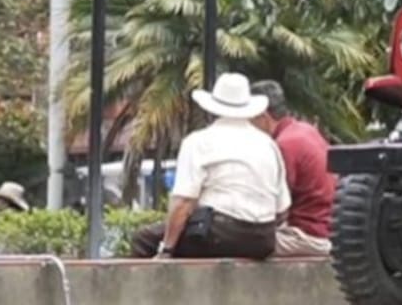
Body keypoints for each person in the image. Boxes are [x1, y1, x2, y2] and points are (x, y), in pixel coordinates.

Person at [131, 72, 290, 260]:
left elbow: (183, 203)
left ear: (213, 108)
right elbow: (282, 210)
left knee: (143, 239)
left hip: (219, 234)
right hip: (262, 240)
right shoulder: (268, 144)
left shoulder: (198, 141)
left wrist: (166, 249)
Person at [250, 80, 334, 257]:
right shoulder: (306, 130)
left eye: (250, 119)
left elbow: (275, 207)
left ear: (263, 117)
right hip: (328, 230)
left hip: (307, 237)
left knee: (236, 242)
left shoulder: (284, 145)